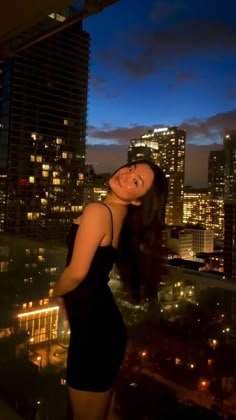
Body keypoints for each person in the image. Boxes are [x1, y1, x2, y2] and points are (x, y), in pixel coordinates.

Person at [53, 159, 168, 420]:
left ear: (138, 200)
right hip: (100, 330)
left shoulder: (98, 210)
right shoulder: (118, 215)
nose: (126, 176)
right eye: (130, 168)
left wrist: (55, 292)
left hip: (94, 337)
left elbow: (76, 273)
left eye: (136, 181)